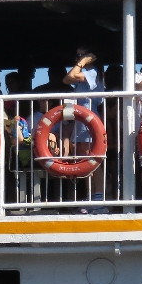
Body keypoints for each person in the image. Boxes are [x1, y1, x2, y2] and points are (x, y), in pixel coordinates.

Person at [61, 46, 106, 207]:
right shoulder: (84, 72)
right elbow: (66, 80)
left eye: (82, 55)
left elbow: (71, 75)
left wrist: (82, 63)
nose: (78, 58)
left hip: (90, 120)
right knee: (84, 159)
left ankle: (99, 196)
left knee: (92, 158)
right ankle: (91, 195)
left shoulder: (93, 72)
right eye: (77, 55)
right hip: (80, 121)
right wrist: (81, 62)